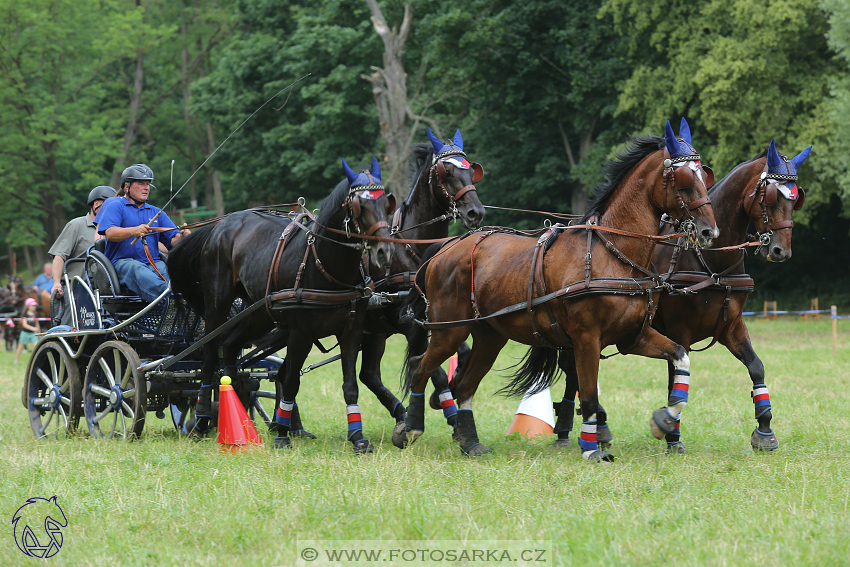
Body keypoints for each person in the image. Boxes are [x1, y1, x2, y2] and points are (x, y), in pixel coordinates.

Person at [97, 163, 189, 302]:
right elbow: (110, 233)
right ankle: (172, 302)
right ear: (127, 187)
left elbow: (172, 242)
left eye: (148, 184)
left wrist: (183, 238)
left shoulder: (156, 212)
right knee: (137, 269)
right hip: (122, 264)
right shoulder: (115, 206)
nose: (146, 188)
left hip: (153, 263)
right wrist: (135, 230)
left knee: (172, 274)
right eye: (141, 184)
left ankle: (184, 300)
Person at [49, 185, 116, 298]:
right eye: (110, 206)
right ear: (96, 205)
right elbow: (59, 255)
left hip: (105, 290)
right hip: (76, 288)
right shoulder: (77, 225)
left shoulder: (114, 230)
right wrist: (56, 283)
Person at [13, 297, 40, 364]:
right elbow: (24, 325)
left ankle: (35, 361)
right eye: (32, 305)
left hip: (34, 334)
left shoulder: (36, 314)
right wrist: (33, 328)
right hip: (25, 333)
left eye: (35, 305)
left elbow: (37, 324)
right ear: (28, 306)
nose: (34, 307)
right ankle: (16, 360)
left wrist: (39, 333)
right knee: (20, 346)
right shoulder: (25, 315)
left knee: (36, 346)